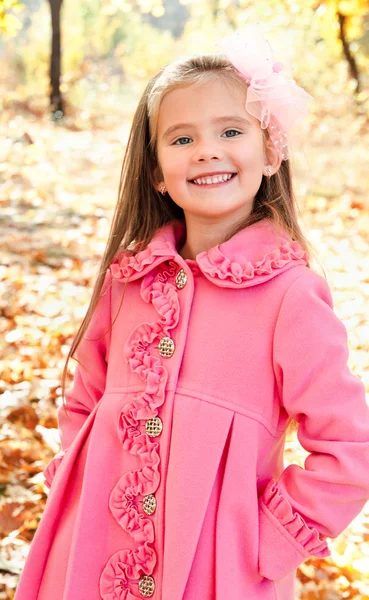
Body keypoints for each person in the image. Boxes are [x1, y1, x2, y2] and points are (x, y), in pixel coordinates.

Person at [15, 22, 369, 600]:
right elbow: (86, 399)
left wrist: (266, 541)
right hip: (94, 550)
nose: (206, 149)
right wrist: (75, 485)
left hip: (216, 568)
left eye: (230, 130)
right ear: (156, 170)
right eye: (181, 139)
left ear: (270, 152)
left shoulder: (290, 295)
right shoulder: (128, 282)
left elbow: (350, 447)